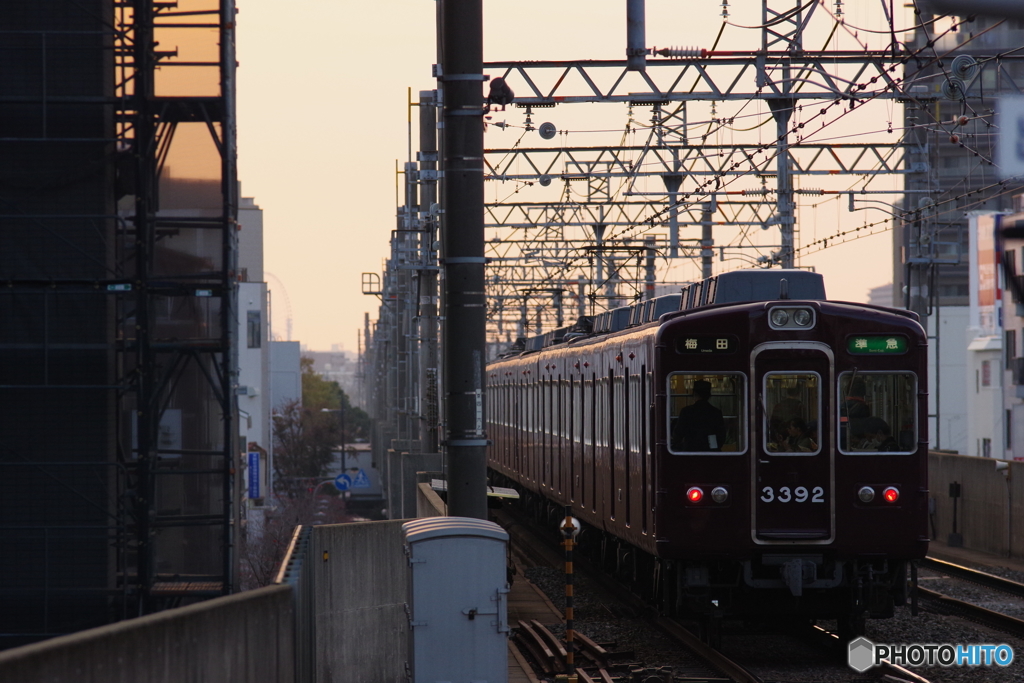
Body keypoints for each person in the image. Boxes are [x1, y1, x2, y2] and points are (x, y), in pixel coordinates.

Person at [672, 380, 726, 451]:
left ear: (694, 394)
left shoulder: (686, 411)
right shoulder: (716, 412)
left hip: (690, 450)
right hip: (710, 450)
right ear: (709, 395)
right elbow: (721, 436)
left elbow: (678, 433)